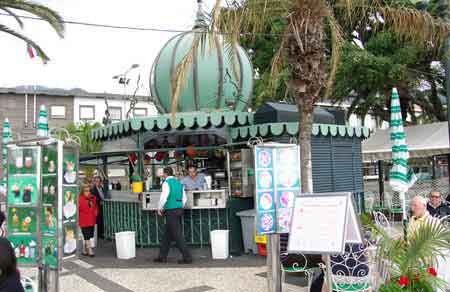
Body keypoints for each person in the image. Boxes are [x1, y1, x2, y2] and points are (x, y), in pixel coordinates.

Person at [154, 167, 192, 264]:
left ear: (165, 174)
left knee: (177, 235)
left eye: (163, 174)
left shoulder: (166, 183)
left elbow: (164, 197)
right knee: (167, 234)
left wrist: (159, 208)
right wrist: (179, 206)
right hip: (179, 209)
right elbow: (184, 198)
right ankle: (162, 256)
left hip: (171, 210)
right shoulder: (179, 183)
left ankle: (187, 257)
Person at [79, 185, 98, 257]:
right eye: (86, 191)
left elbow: (95, 207)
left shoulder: (93, 198)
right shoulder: (80, 199)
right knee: (86, 235)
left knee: (89, 235)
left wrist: (95, 212)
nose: (88, 192)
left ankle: (84, 250)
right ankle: (90, 250)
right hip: (84, 220)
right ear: (82, 192)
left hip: (91, 219)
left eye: (89, 190)